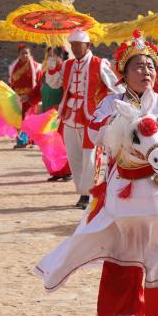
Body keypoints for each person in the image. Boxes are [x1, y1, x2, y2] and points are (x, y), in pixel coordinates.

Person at [35, 31, 158, 316]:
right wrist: (120, 125)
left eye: (150, 66)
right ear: (124, 74)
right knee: (123, 247)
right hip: (123, 185)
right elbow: (94, 133)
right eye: (138, 66)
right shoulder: (111, 103)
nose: (146, 72)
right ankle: (126, 311)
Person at [45, 29, 122, 209]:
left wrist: (111, 109)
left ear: (87, 45)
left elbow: (117, 88)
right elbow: (53, 83)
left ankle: (88, 194)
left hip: (92, 118)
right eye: (72, 45)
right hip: (70, 116)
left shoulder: (99, 64)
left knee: (90, 156)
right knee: (74, 156)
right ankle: (82, 191)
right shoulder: (67, 65)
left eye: (78, 45)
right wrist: (51, 66)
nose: (75, 49)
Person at [42, 46, 72, 182]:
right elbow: (39, 89)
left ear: (61, 57)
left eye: (54, 56)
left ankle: (67, 171)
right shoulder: (47, 73)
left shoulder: (67, 72)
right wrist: (29, 97)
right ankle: (56, 171)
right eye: (49, 56)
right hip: (48, 114)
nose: (51, 58)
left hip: (63, 113)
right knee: (50, 143)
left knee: (62, 142)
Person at [9, 44, 42, 149]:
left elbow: (39, 83)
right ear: (18, 54)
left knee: (30, 119)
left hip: (30, 98)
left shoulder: (36, 67)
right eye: (22, 53)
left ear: (30, 54)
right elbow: (11, 83)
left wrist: (31, 96)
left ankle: (32, 140)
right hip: (18, 98)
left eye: (27, 53)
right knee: (19, 120)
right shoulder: (13, 67)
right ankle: (22, 141)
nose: (25, 55)